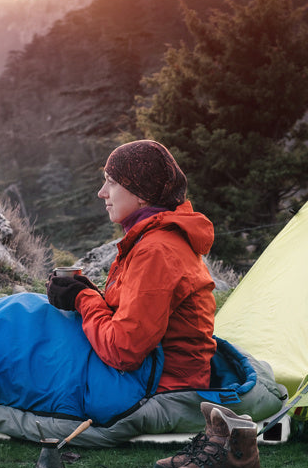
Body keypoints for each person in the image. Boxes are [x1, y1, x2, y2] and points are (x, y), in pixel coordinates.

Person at [46, 139, 217, 392]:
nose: (102, 192)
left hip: (162, 385)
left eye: (111, 182)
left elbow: (123, 350)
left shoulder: (156, 250)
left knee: (25, 330)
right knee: (32, 316)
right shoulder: (150, 238)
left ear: (142, 194)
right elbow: (135, 318)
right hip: (152, 372)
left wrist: (83, 299)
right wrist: (91, 294)